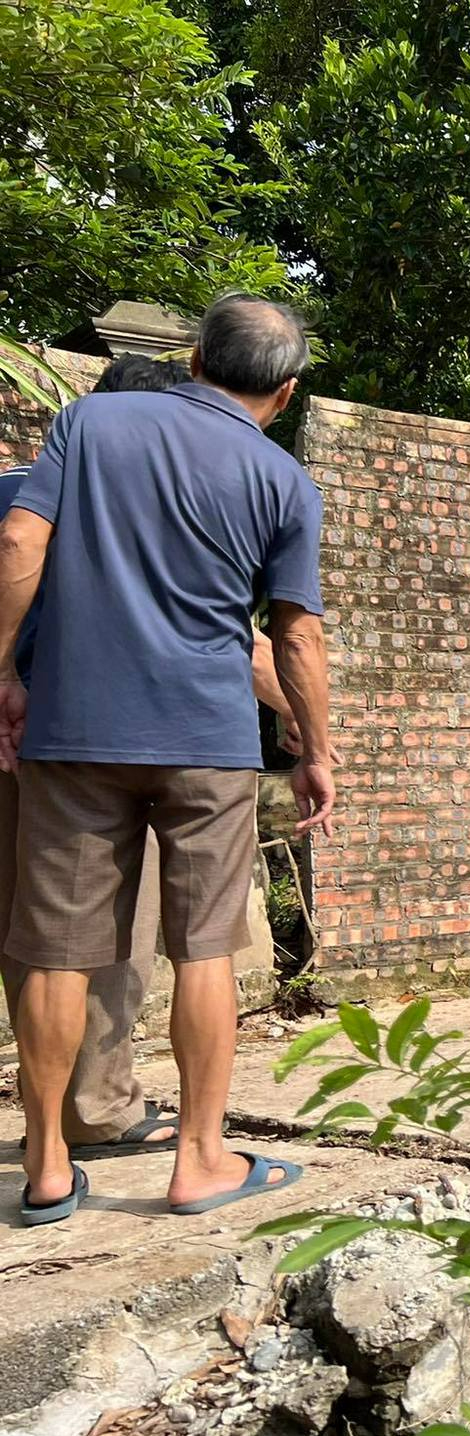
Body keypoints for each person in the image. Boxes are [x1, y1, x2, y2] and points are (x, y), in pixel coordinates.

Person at [0, 295, 336, 1224]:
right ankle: (199, 1161)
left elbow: (21, 538)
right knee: (203, 949)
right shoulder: (282, 480)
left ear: (194, 359)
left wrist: (4, 675)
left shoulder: (90, 420)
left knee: (55, 953)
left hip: (74, 735)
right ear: (288, 390)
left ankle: (49, 1172)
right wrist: (315, 749)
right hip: (209, 745)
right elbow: (295, 637)